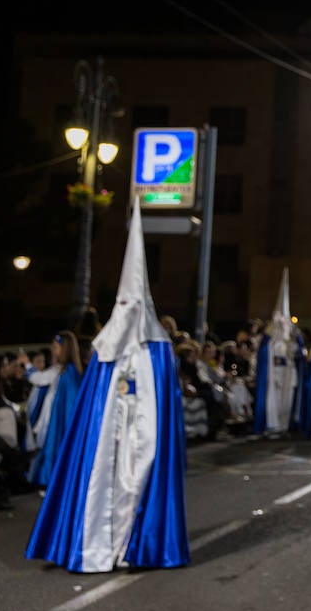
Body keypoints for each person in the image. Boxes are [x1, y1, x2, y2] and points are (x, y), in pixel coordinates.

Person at [26, 203, 189, 572]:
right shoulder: (104, 349)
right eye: (123, 303)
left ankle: (135, 547)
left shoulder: (159, 350)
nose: (128, 311)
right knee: (102, 487)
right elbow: (92, 405)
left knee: (138, 488)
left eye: (135, 304)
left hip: (143, 437)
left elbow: (164, 401)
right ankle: (98, 546)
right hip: (107, 437)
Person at [27, 331, 85, 489]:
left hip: (56, 420)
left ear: (64, 349)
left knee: (53, 448)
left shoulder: (61, 371)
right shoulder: (72, 371)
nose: (52, 351)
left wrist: (27, 365)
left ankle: (50, 481)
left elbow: (38, 379)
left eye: (55, 347)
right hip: (60, 418)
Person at [254, 269, 301, 438]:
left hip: (287, 372)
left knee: (286, 401)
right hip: (274, 372)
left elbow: (296, 354)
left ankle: (283, 426)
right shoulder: (269, 341)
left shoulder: (291, 340)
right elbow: (263, 353)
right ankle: (271, 426)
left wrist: (293, 341)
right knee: (272, 401)